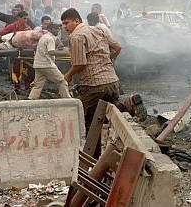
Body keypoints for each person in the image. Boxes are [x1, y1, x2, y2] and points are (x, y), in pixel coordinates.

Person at [61, 8, 147, 158]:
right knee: (110, 113)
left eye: (66, 23)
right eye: (62, 24)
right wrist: (108, 61)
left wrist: (67, 76)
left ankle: (91, 162)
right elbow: (117, 47)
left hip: (94, 85)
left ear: (77, 21)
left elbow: (80, 64)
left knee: (91, 124)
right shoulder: (99, 30)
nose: (64, 27)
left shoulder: (76, 37)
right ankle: (129, 103)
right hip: (112, 82)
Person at [28, 22, 71, 100]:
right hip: (46, 65)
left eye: (58, 29)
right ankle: (67, 100)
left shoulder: (45, 36)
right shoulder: (50, 38)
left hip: (38, 64)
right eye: (55, 29)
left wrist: (59, 45)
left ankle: (30, 101)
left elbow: (58, 43)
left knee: (37, 86)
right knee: (62, 81)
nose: (57, 30)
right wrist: (67, 53)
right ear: (50, 29)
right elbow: (51, 52)